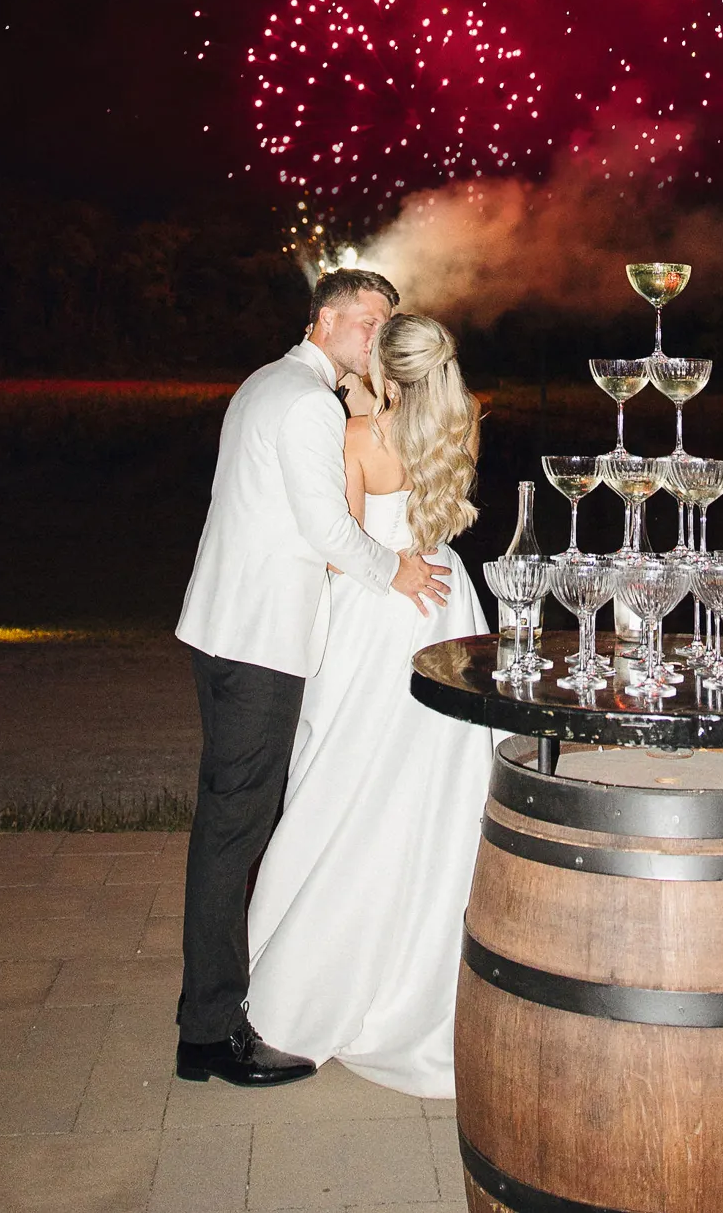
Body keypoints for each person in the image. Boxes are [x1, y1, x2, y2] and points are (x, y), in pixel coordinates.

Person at [174, 269, 451, 1090]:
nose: (375, 339)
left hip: (221, 627)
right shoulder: (305, 403)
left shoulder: (268, 383)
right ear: (325, 319)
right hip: (258, 641)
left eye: (384, 325)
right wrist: (392, 575)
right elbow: (326, 525)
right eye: (366, 322)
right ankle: (209, 1032)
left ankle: (214, 1007)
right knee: (234, 828)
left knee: (231, 819)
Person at [243, 312, 494, 1099]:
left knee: (342, 785)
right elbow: (436, 518)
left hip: (378, 609)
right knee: (433, 797)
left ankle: (303, 982)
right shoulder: (460, 428)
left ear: (384, 371)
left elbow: (340, 546)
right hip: (448, 605)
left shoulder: (356, 438)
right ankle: (426, 980)